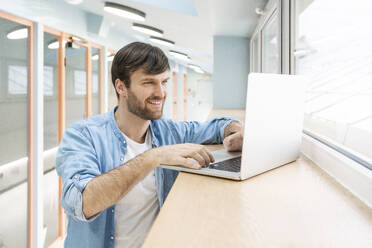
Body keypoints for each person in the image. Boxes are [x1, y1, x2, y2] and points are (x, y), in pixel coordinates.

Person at [56, 42, 243, 248]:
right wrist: (152, 158)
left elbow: (217, 127)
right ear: (121, 87)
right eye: (148, 83)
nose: (160, 92)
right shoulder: (83, 135)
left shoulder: (168, 131)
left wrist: (235, 130)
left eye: (164, 82)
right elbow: (82, 203)